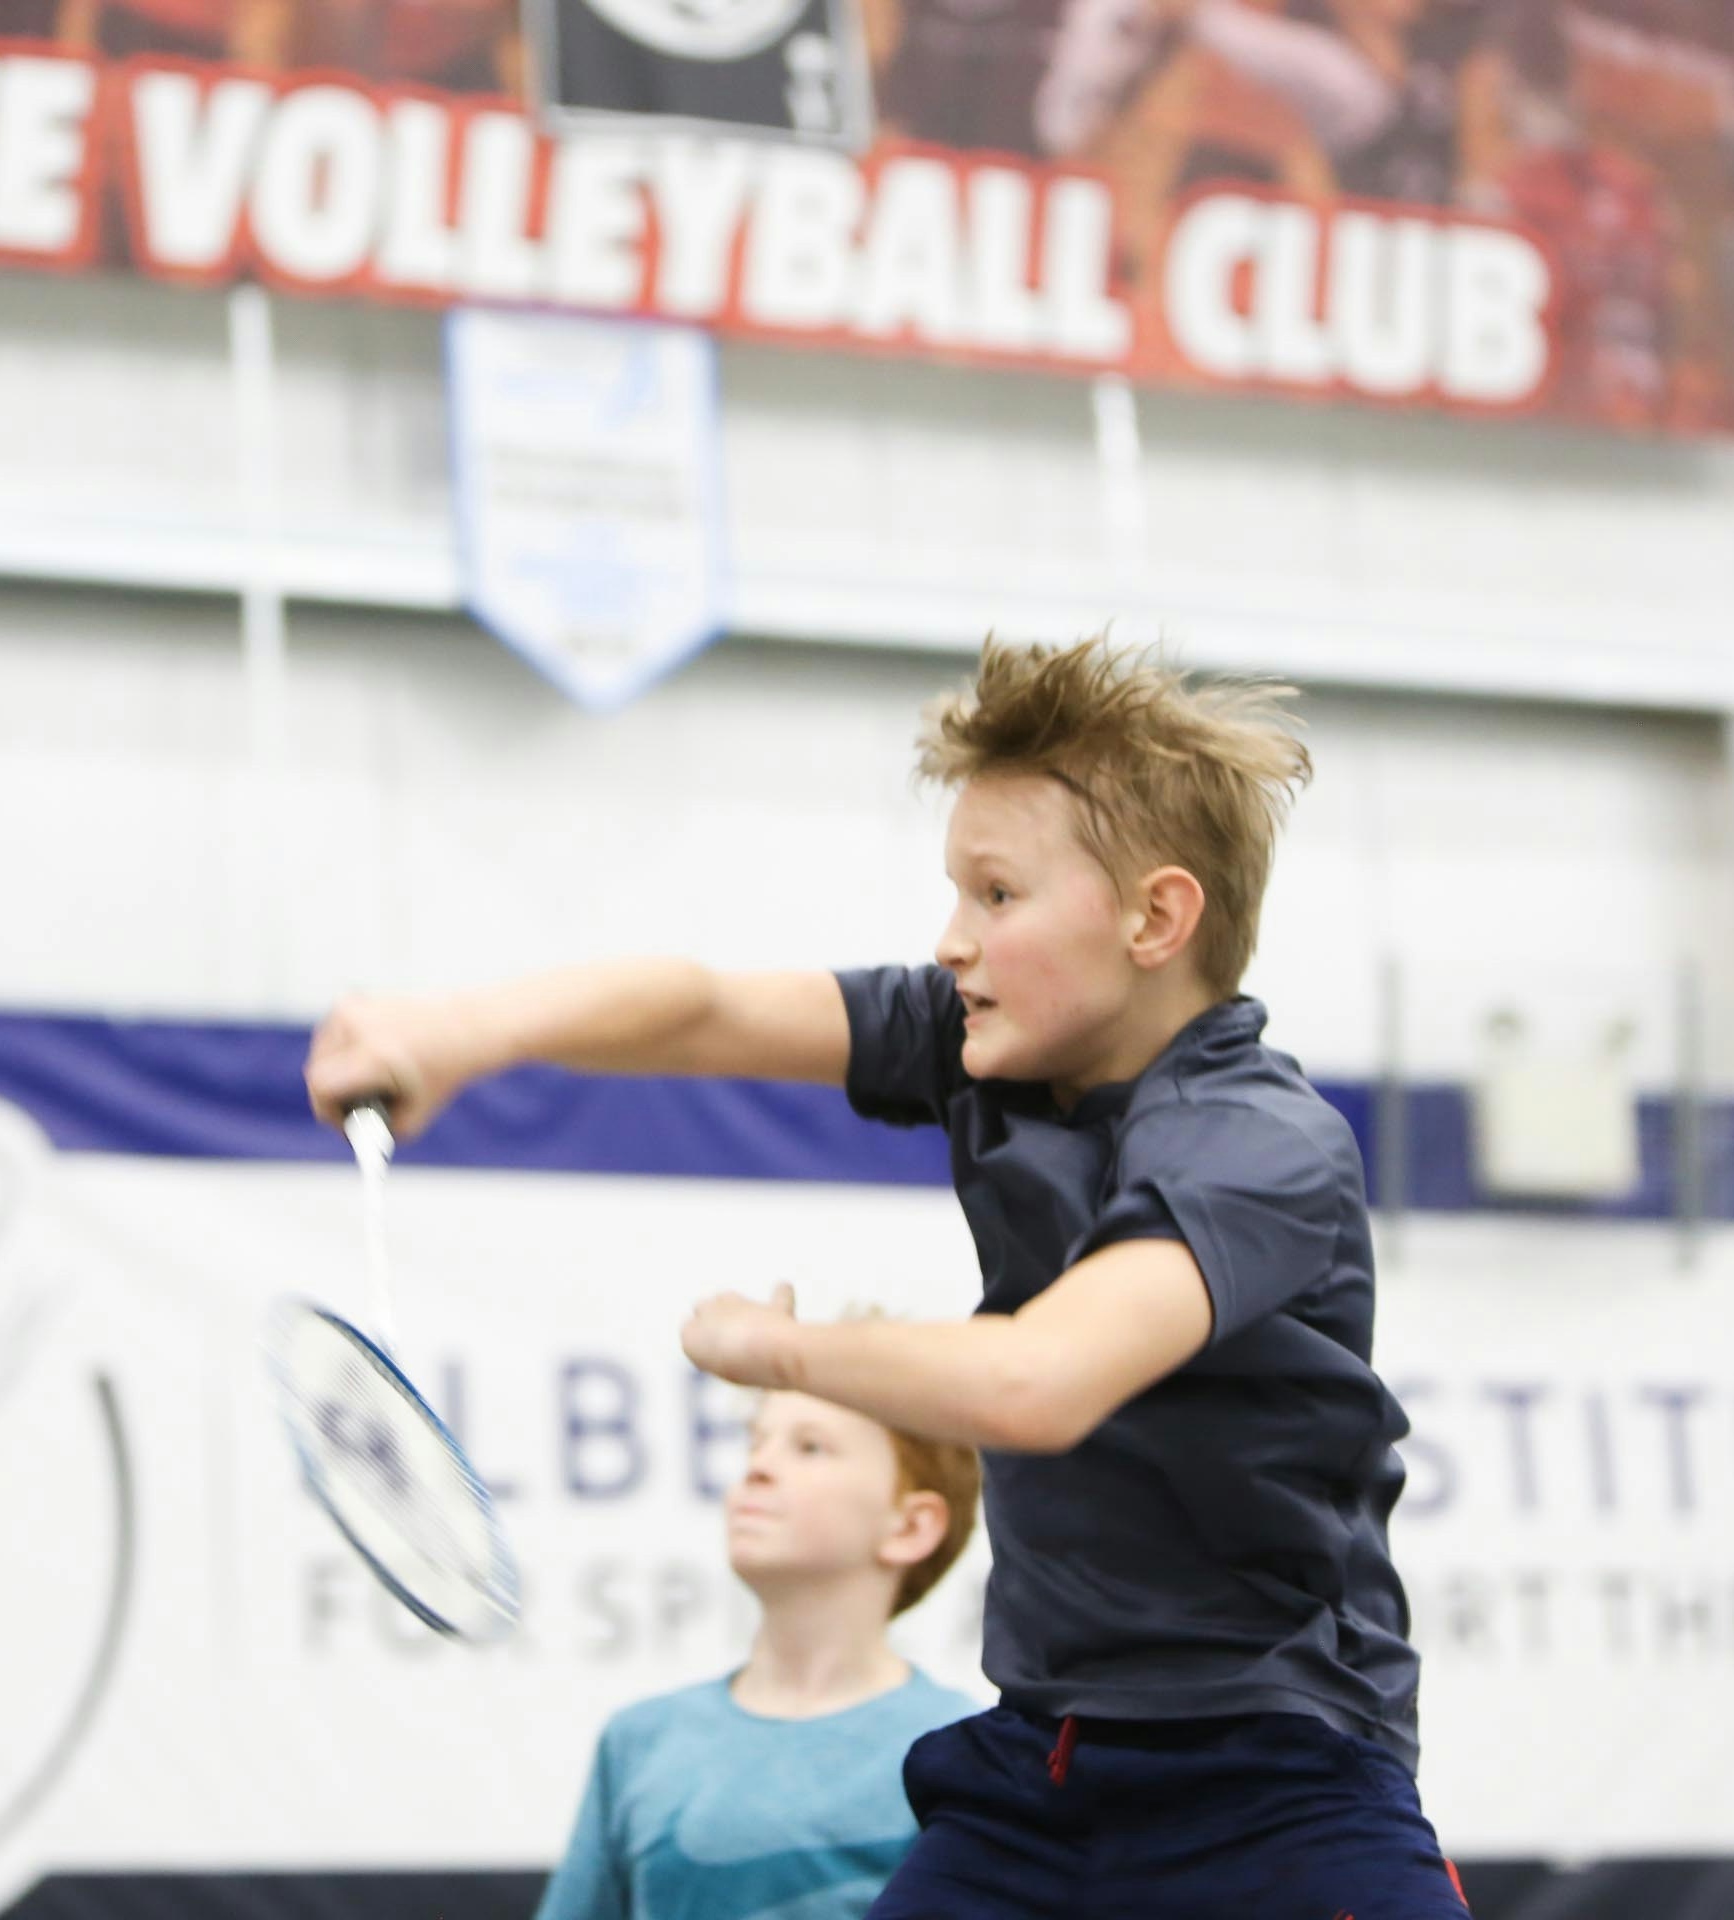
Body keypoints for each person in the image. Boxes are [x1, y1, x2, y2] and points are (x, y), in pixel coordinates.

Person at [310, 636, 1463, 1918]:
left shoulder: (1260, 1145)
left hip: (1279, 1789)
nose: (953, 941)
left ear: (1156, 917)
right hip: (1044, 1774)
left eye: (998, 897)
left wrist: (784, 1354)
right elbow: (700, 1008)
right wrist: (457, 1034)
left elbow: (1040, 1381)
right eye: (954, 895)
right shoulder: (976, 1048)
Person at [535, 1384, 982, 1920]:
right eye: (755, 1444)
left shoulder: (963, 1752)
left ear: (910, 1526)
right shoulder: (640, 1741)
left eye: (810, 1447)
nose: (759, 1467)